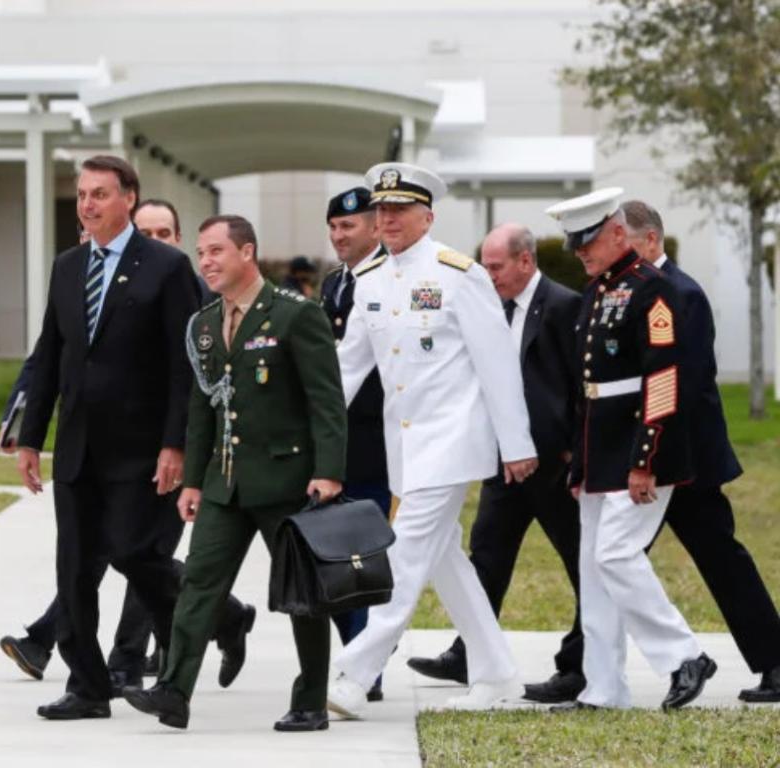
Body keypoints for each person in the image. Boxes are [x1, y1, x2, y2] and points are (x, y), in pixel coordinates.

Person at [327, 162, 538, 719]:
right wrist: (308, 429)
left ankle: (354, 672)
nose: (388, 219)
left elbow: (497, 364)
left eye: (400, 210)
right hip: (405, 445)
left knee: (405, 551)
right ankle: (495, 673)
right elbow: (346, 368)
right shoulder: (369, 279)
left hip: (452, 438)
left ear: (428, 216)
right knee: (447, 563)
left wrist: (516, 443)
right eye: (382, 210)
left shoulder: (458, 273)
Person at [123, 214, 347, 732]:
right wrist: (196, 480)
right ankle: (174, 693)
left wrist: (328, 473)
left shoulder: (295, 315)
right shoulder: (203, 324)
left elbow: (326, 402)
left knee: (302, 595)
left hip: (288, 480)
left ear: (247, 253)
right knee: (199, 583)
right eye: (201, 253)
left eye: (216, 251)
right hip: (226, 482)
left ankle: (310, 700)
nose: (206, 262)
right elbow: (203, 408)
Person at [15, 155, 198, 720]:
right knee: (73, 570)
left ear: (129, 199)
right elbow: (51, 354)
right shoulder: (67, 267)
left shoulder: (167, 267)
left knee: (132, 554)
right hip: (77, 445)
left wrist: (176, 444)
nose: (88, 204)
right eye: (82, 195)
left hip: (141, 450)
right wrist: (29, 437)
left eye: (100, 194)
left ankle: (203, 629)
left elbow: (183, 365)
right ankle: (90, 688)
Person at [544, 187, 715, 711]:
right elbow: (588, 384)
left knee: (616, 555)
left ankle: (683, 654)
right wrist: (578, 460)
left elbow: (662, 379)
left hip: (642, 444)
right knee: (594, 570)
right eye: (575, 244)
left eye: (588, 241)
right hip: (599, 447)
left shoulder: (653, 290)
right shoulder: (598, 292)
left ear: (619, 233)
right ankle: (604, 687)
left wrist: (646, 461)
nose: (580, 253)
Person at [406, 223, 586, 704]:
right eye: (484, 265)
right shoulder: (486, 303)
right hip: (502, 466)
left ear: (526, 261)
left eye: (496, 266)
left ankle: (578, 665)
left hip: (551, 465)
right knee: (485, 557)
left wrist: (572, 451)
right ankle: (469, 653)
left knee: (582, 565)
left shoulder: (566, 305)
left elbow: (578, 387)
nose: (488, 274)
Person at [623, 199, 780, 703]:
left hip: (683, 461)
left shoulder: (679, 294)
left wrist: (653, 458)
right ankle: (580, 666)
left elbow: (681, 385)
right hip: (652, 459)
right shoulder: (638, 292)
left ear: (651, 241)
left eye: (625, 245)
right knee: (610, 561)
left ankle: (776, 663)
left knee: (720, 560)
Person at [321, 186, 389, 702]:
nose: (339, 235)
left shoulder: (394, 278)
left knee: (366, 556)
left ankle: (366, 666)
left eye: (349, 226)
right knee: (335, 555)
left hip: (381, 438)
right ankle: (359, 658)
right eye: (334, 227)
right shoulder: (333, 284)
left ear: (374, 226)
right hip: (337, 439)